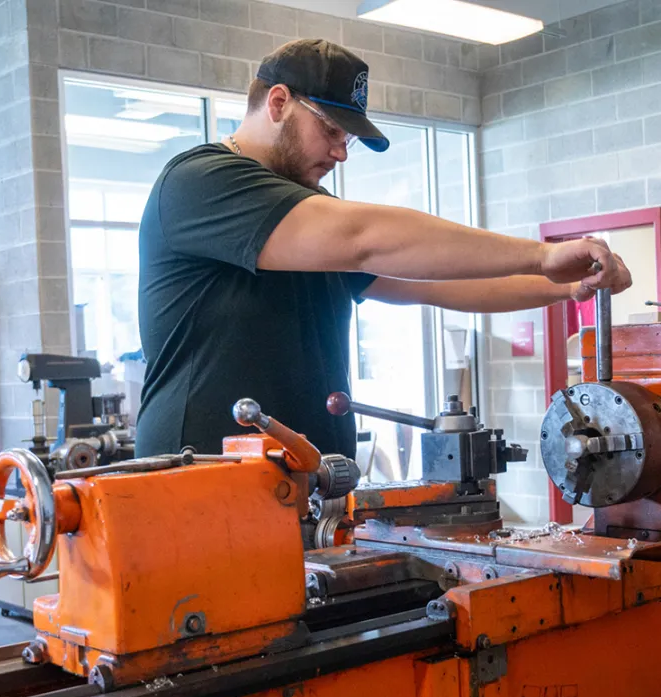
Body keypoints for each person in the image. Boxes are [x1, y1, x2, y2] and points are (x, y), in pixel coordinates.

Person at [137, 39, 632, 458]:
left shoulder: (306, 221)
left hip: (303, 491)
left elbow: (433, 282)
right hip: (199, 488)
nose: (340, 151)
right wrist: (541, 255)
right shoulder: (199, 183)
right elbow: (364, 240)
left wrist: (565, 284)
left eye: (347, 137)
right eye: (331, 130)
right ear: (278, 102)